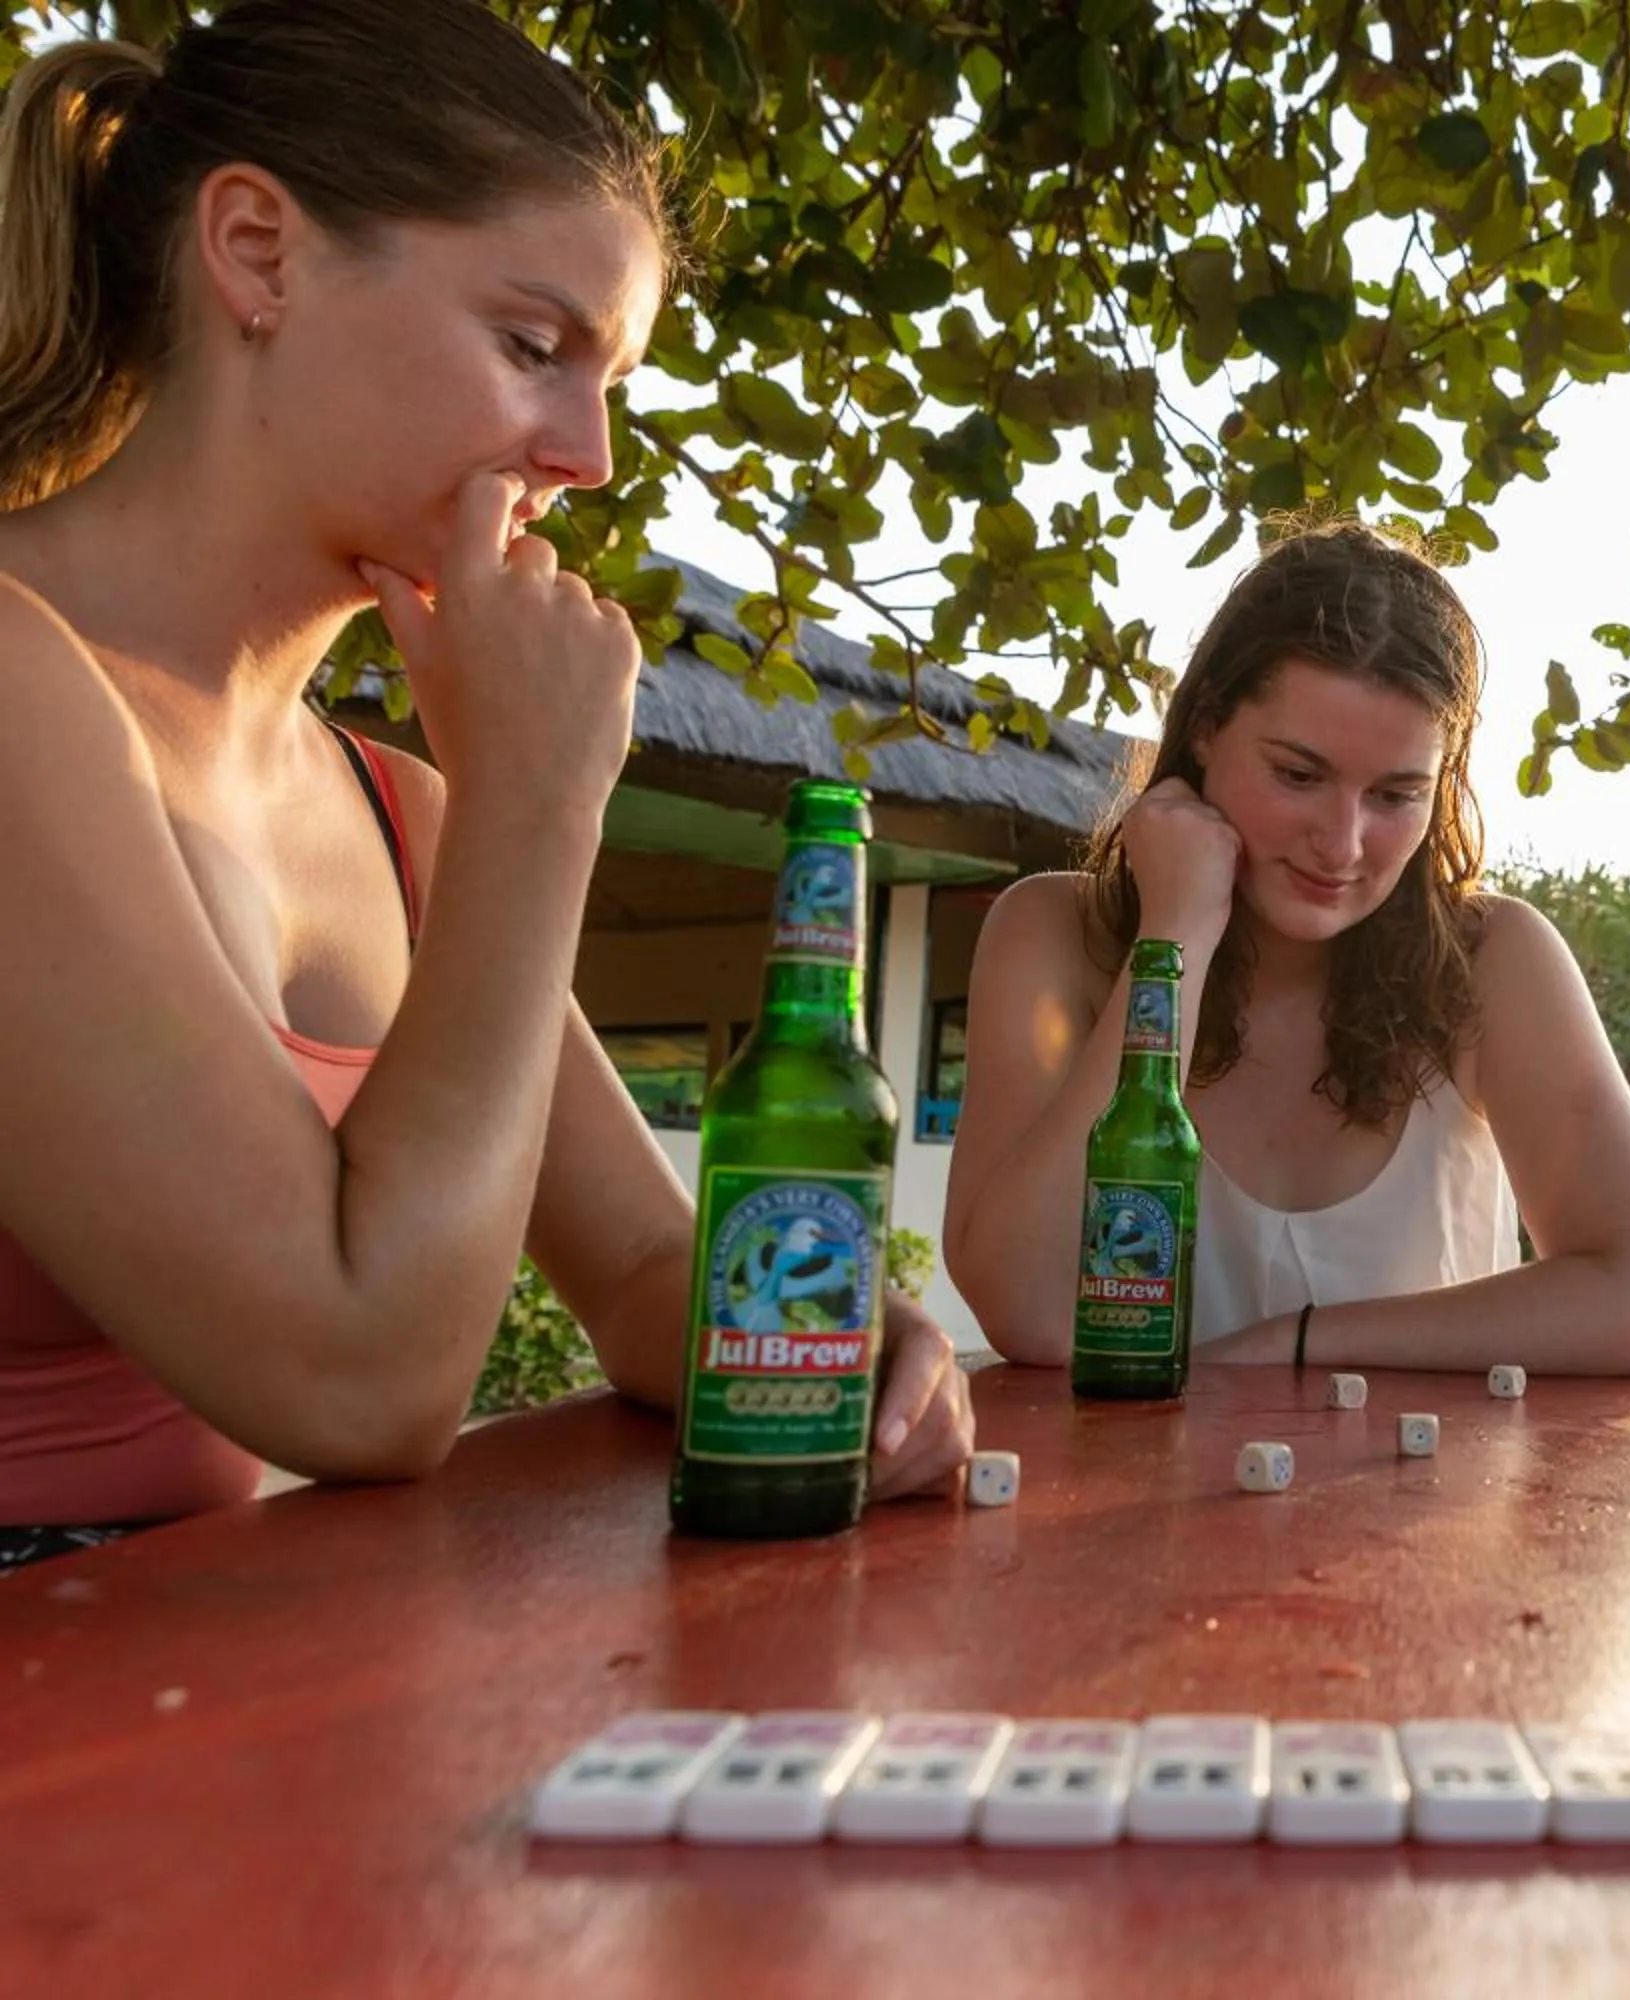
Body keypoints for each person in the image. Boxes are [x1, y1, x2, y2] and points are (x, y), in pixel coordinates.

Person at [0, 0, 970, 1574]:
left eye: (614, 384)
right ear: (257, 252)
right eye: (532, 346)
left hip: (198, 1692)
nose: (587, 453)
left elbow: (654, 1265)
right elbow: (364, 1384)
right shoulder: (14, 678)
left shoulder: (400, 814)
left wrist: (827, 1331)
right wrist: (541, 802)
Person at [946, 519, 1630, 1376]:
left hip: (1431, 1505)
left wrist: (1288, 1345)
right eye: (1298, 776)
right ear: (1204, 729)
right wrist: (1174, 936)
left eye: (1395, 795)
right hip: (1120, 1508)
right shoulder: (1054, 935)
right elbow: (1031, 1309)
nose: (1342, 845)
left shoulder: (1491, 958)